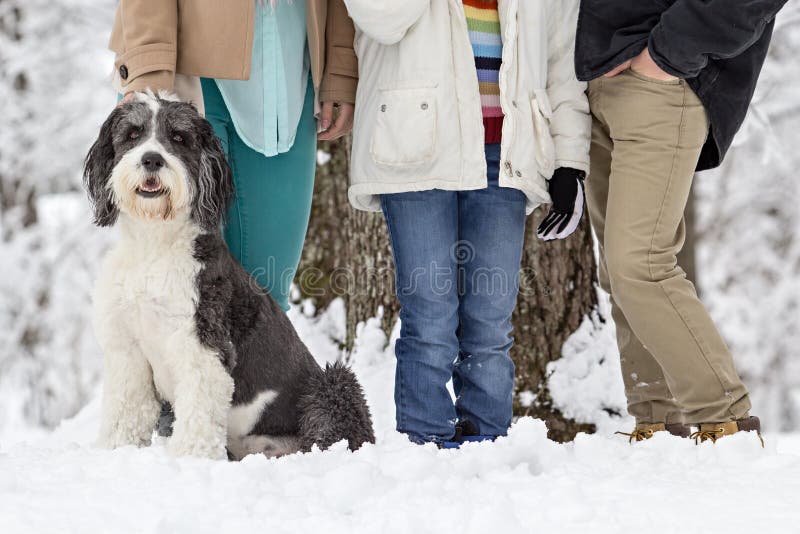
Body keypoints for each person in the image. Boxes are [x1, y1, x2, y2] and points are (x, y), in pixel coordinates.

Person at [343, 0, 590, 446]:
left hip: (506, 154)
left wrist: (570, 160)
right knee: (431, 315)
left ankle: (487, 444)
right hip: (419, 147)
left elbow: (562, 63)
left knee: (490, 321)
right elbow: (379, 19)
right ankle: (425, 444)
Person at [575, 0, 788, 444]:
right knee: (619, 270)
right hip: (589, 81)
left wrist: (667, 54)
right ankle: (656, 420)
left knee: (639, 263)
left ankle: (725, 419)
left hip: (658, 83)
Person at [109, 0, 357, 312]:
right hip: (181, 76)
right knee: (168, 296)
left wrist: (340, 64)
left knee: (265, 307)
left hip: (289, 71)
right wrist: (147, 69)